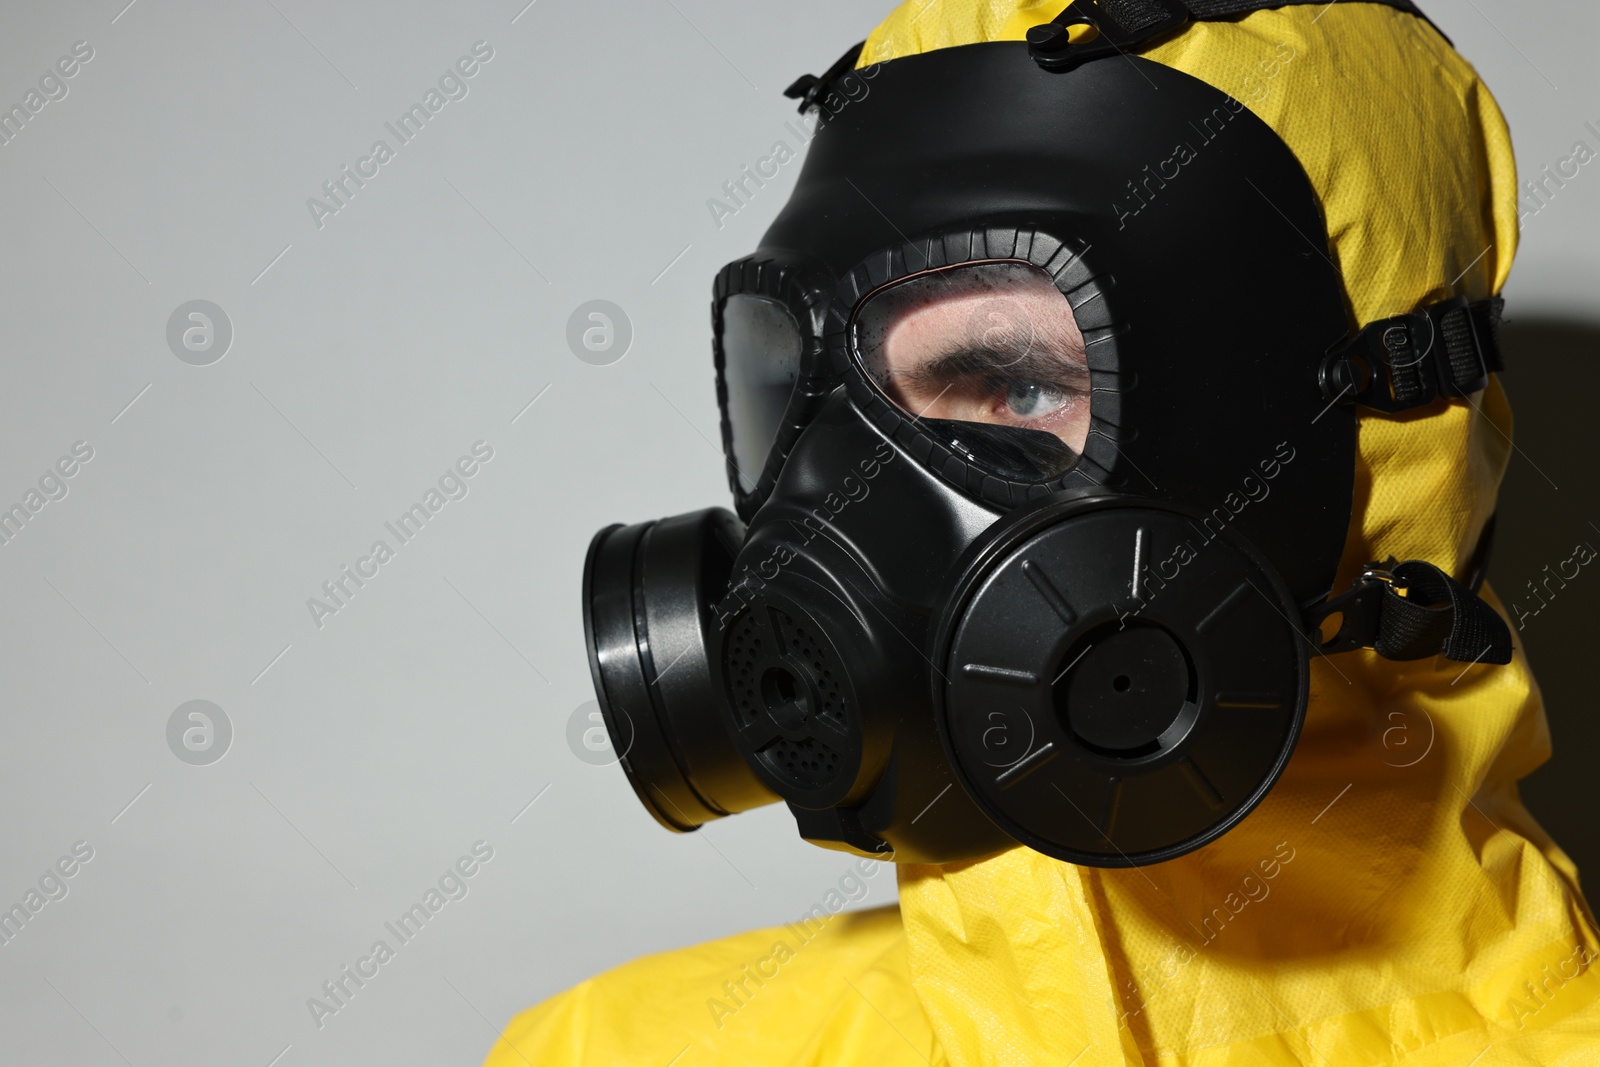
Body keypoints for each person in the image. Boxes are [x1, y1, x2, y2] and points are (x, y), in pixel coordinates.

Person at [489, 2, 1600, 1063]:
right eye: (805, 395)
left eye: (1015, 389)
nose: (838, 505)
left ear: (1384, 435)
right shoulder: (612, 1051)